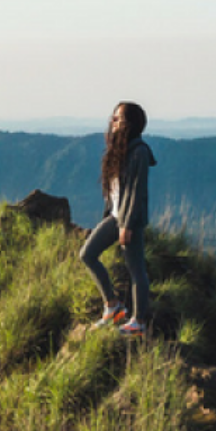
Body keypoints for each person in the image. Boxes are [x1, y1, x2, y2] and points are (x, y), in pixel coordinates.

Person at [80, 101, 156, 336]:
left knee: (136, 270)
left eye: (117, 118)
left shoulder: (139, 152)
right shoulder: (121, 151)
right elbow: (115, 193)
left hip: (128, 220)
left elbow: (136, 191)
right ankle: (113, 306)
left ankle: (139, 321)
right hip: (115, 217)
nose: (112, 122)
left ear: (129, 124)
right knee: (87, 254)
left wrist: (127, 225)